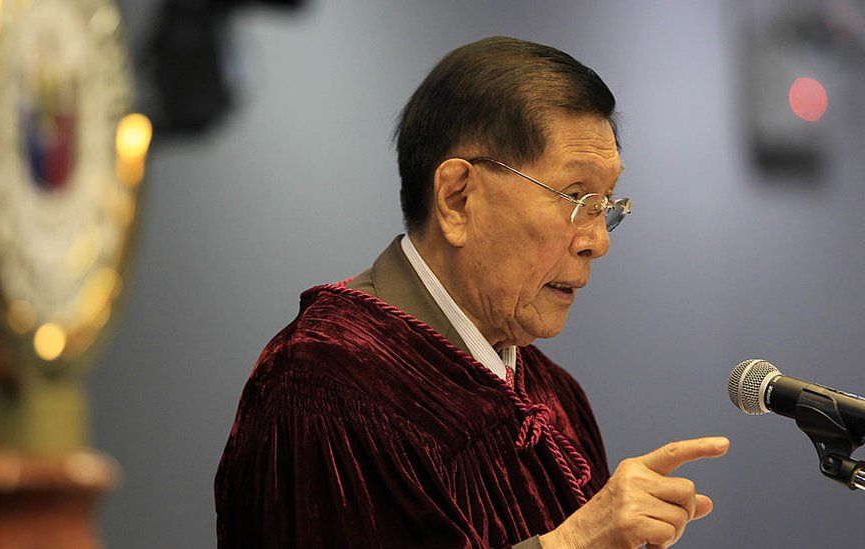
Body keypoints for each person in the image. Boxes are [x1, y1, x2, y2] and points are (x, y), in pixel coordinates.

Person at [214, 36, 729, 548]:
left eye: (606, 204)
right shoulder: (326, 383)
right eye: (575, 197)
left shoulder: (554, 398)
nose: (596, 241)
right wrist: (573, 545)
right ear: (457, 198)